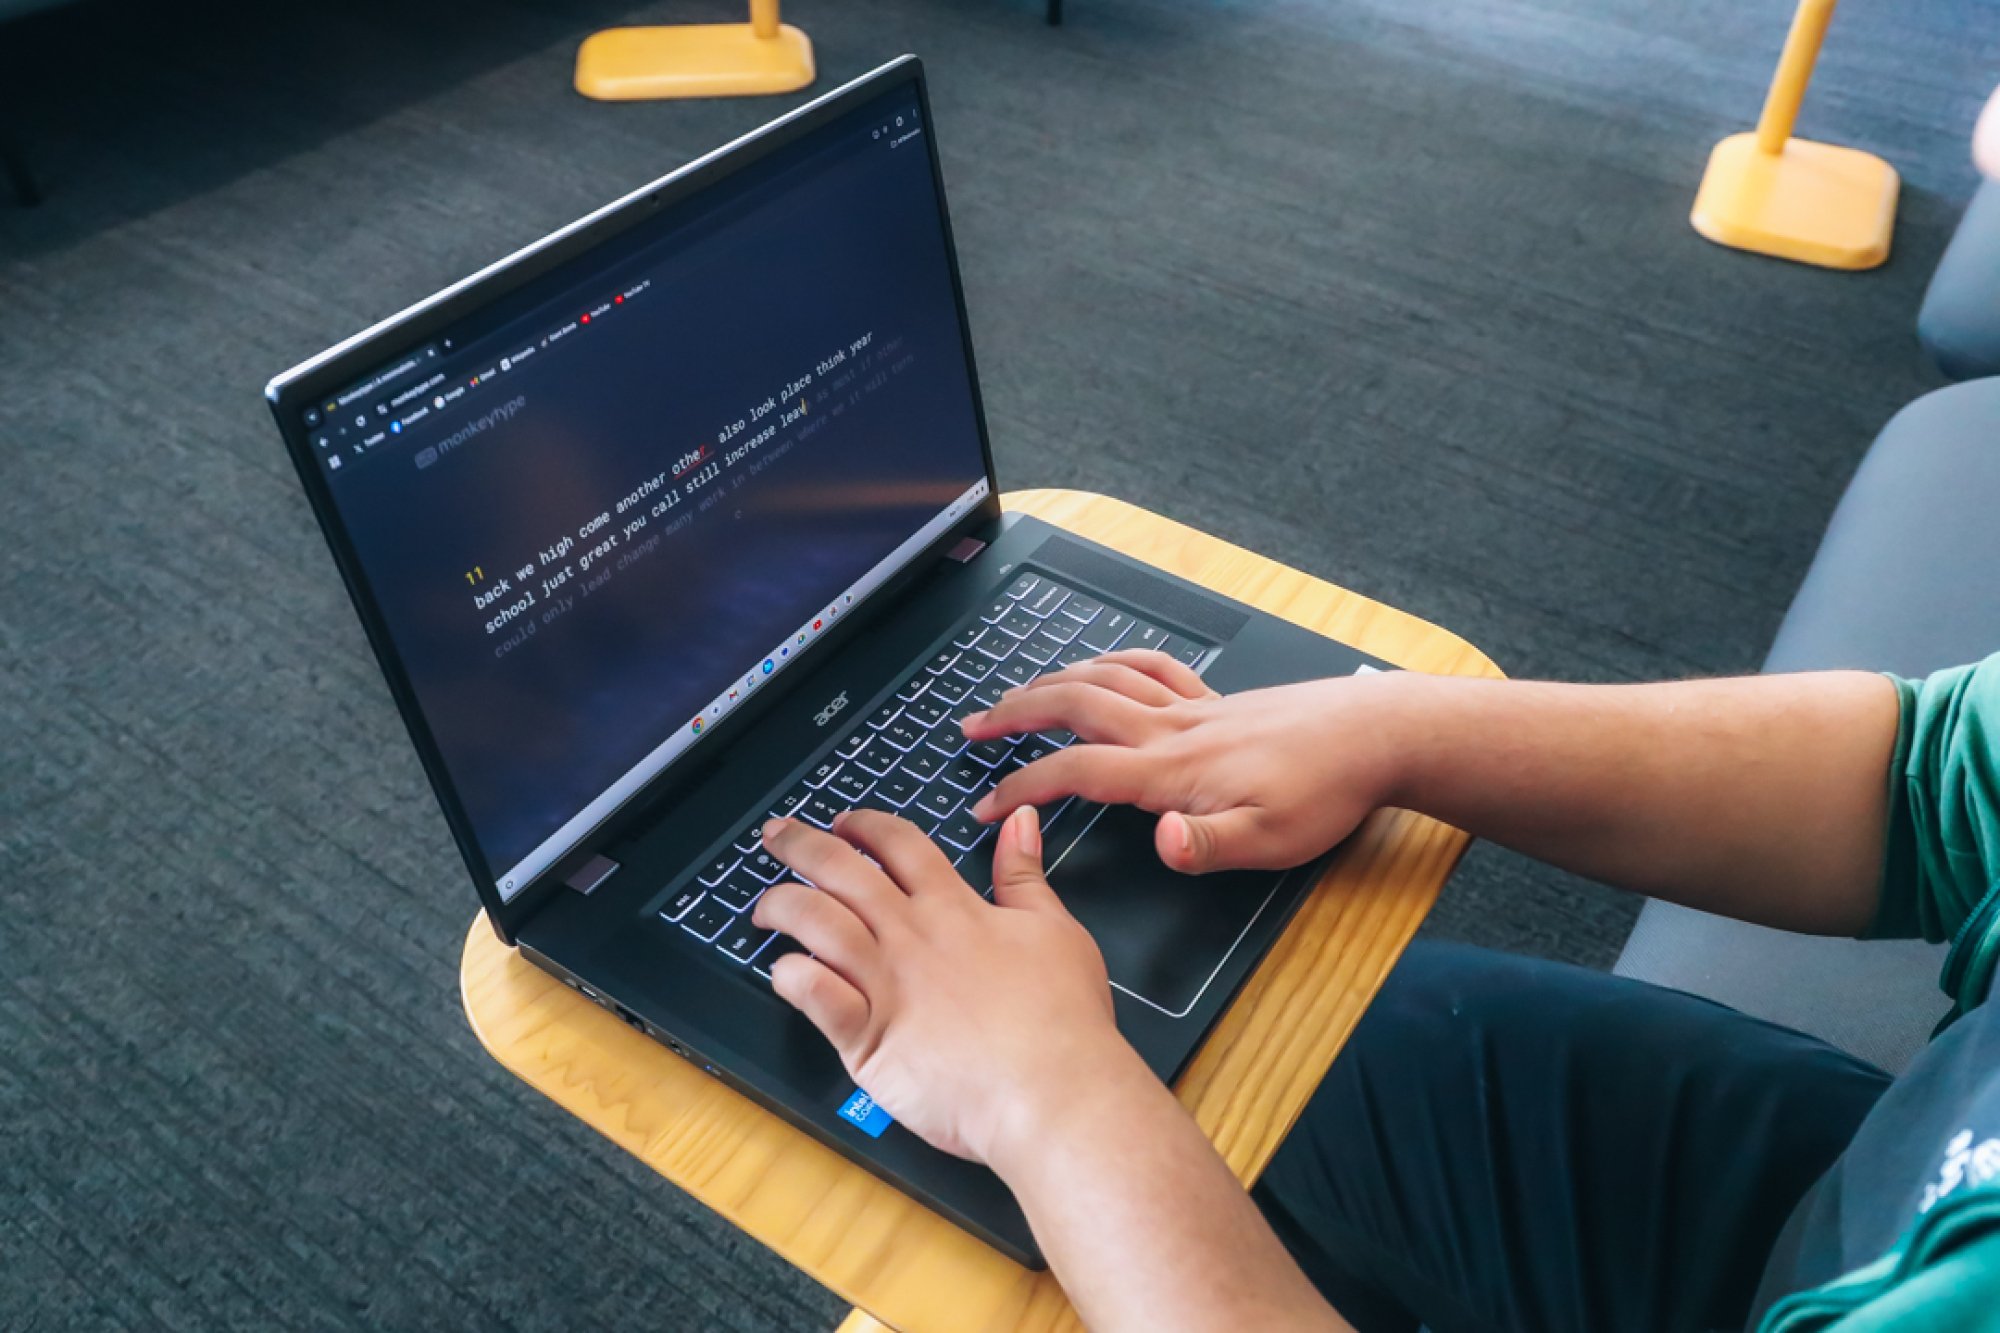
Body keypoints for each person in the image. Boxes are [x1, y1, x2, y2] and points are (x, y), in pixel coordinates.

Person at [748, 649, 2000, 1332]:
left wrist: (1050, 1098)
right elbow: (1938, 782)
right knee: (1286, 1049)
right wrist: (1395, 727)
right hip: (1897, 1183)